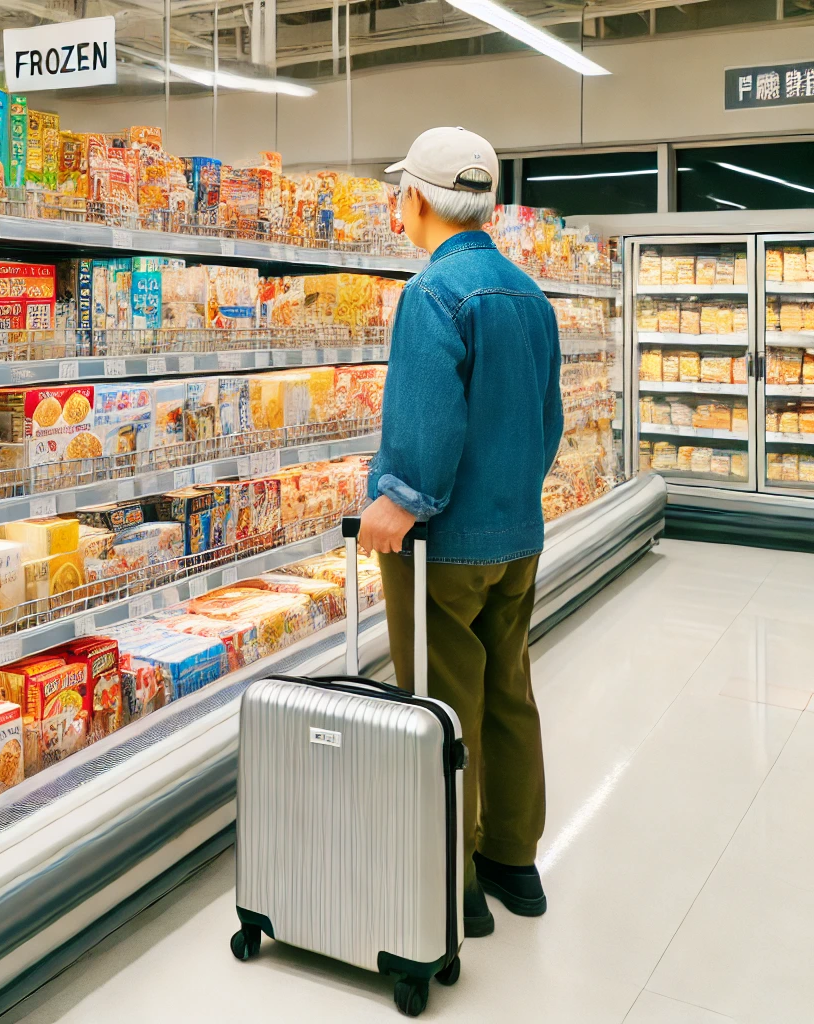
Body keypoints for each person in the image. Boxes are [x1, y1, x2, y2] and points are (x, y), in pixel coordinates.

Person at [357, 127, 563, 938]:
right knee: (509, 689)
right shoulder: (528, 293)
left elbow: (428, 424)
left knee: (444, 705)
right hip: (518, 536)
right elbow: (545, 422)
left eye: (398, 192)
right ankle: (513, 861)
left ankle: (452, 882)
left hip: (443, 548)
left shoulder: (433, 294)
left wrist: (399, 500)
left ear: (417, 198)